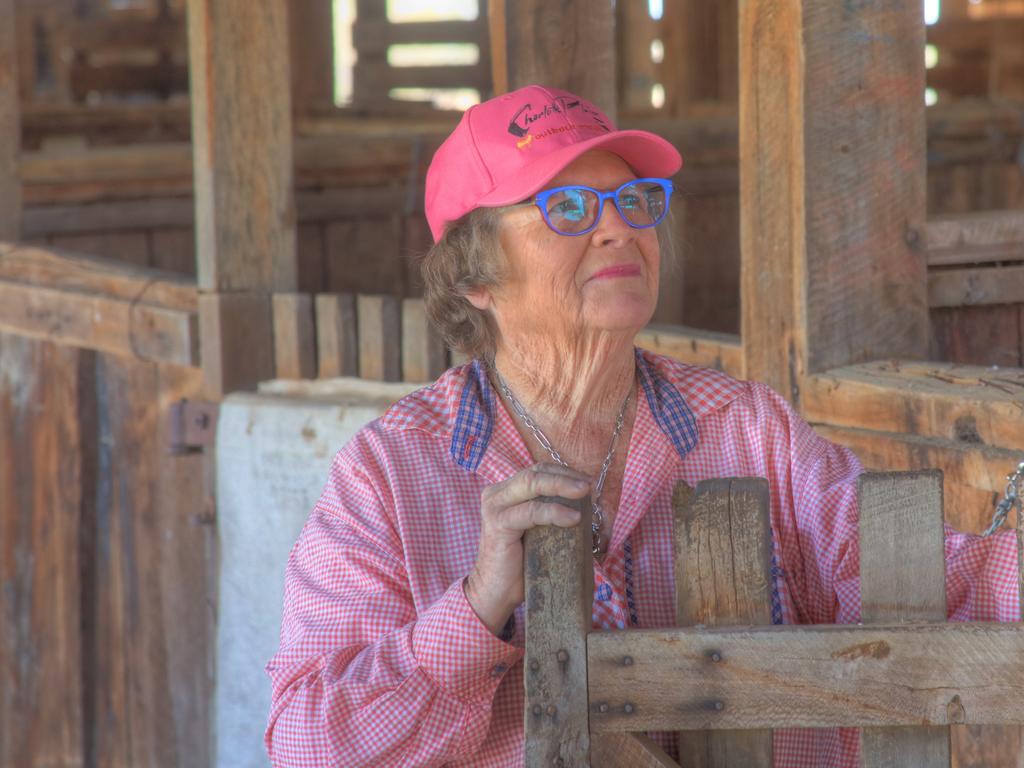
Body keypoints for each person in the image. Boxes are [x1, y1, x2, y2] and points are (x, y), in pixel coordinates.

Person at [264, 84, 1019, 767]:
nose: (619, 230)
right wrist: (476, 606)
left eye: (634, 202)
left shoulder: (751, 431)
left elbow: (935, 580)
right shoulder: (389, 474)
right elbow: (306, 742)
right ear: (474, 277)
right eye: (568, 210)